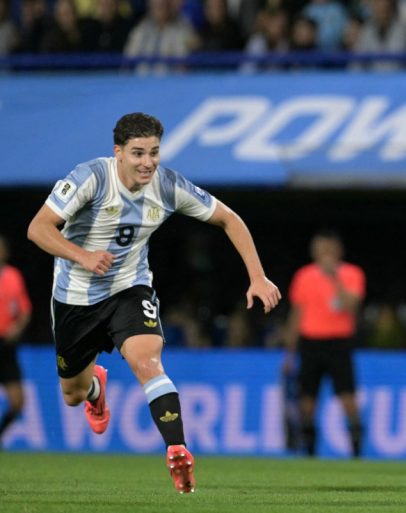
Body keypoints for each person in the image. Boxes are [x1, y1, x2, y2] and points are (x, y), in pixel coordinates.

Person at [27, 112, 281, 493]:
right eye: (138, 153)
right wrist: (82, 256)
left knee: (147, 361)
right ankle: (96, 388)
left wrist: (257, 276)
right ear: (118, 153)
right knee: (72, 394)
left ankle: (177, 448)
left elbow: (229, 218)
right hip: (76, 298)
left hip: (130, 288)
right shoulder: (91, 177)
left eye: (154, 152)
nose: (148, 162)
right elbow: (38, 228)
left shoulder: (167, 185)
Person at [282, 230, 365, 458]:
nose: (325, 254)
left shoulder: (351, 274)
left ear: (339, 251)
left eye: (329, 249)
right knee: (307, 402)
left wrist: (334, 278)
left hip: (339, 343)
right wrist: (289, 354)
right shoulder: (304, 276)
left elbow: (352, 306)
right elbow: (296, 315)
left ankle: (357, 453)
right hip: (310, 343)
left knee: (348, 399)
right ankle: (310, 454)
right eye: (321, 249)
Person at [0, 235, 32, 445]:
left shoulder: (13, 276)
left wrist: (18, 327)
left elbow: (24, 310)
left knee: (18, 401)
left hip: (6, 347)